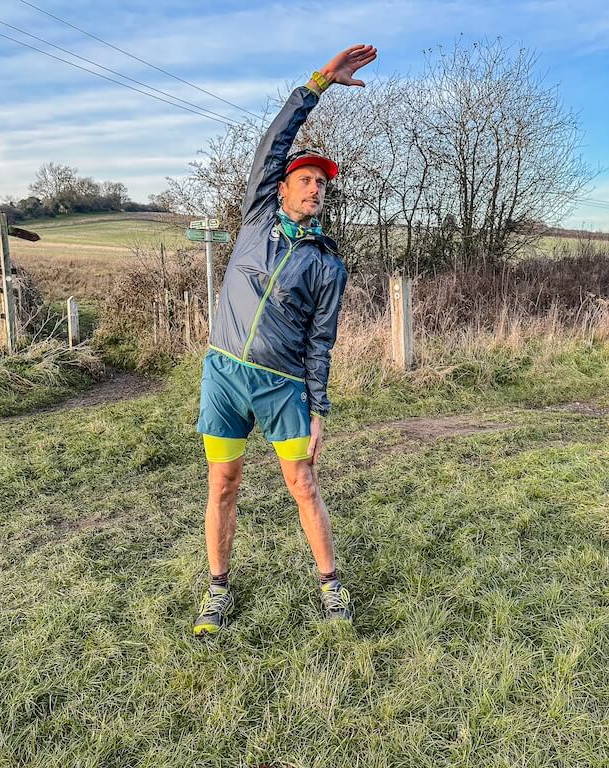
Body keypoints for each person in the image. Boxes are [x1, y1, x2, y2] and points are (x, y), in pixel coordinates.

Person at [193, 44, 378, 635]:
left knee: (303, 482)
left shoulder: (329, 264)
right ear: (282, 189)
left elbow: (321, 342)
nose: (315, 189)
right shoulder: (253, 223)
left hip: (282, 387)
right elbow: (273, 142)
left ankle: (329, 584)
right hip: (224, 375)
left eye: (322, 185)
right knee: (223, 481)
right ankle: (217, 587)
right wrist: (319, 83)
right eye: (304, 180)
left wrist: (318, 406)